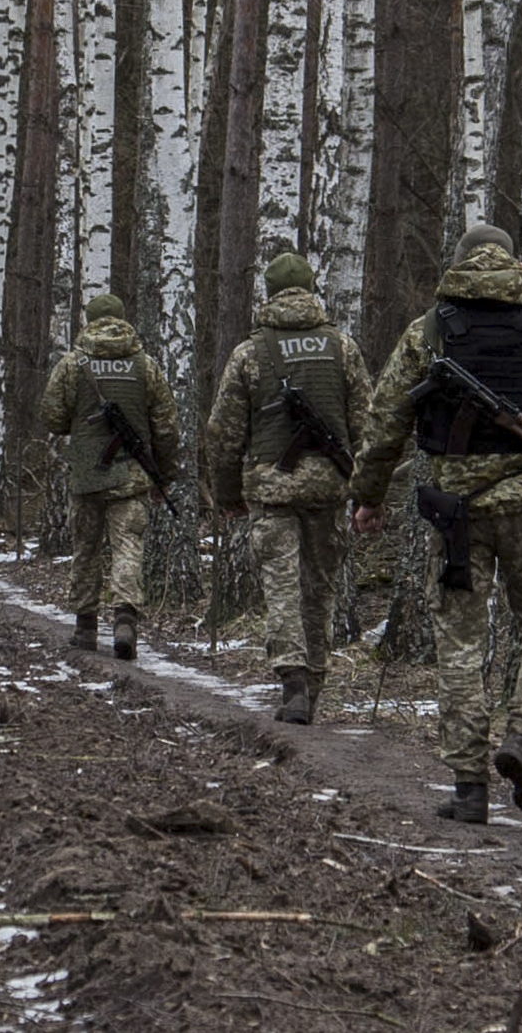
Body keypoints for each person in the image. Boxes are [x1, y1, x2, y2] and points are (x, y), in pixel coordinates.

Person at [349, 222, 522, 826]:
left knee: (461, 645)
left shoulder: (429, 331)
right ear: (516, 268)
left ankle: (469, 787)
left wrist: (369, 495)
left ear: (459, 266)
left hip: (456, 514)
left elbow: (386, 417)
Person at [202, 249, 367, 724]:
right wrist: (366, 489)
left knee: (282, 587)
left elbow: (223, 433)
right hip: (330, 490)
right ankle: (313, 684)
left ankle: (292, 679)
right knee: (321, 589)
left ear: (269, 294)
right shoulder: (342, 348)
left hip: (272, 490)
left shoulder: (251, 353)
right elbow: (367, 424)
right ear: (312, 291)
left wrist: (228, 493)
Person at [38, 292, 181, 660]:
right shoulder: (145, 366)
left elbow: (52, 417)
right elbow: (166, 427)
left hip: (87, 471)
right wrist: (163, 474)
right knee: (128, 547)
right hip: (132, 472)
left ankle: (85, 627)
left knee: (85, 549)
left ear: (89, 321)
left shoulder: (72, 365)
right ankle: (125, 622)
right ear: (123, 320)